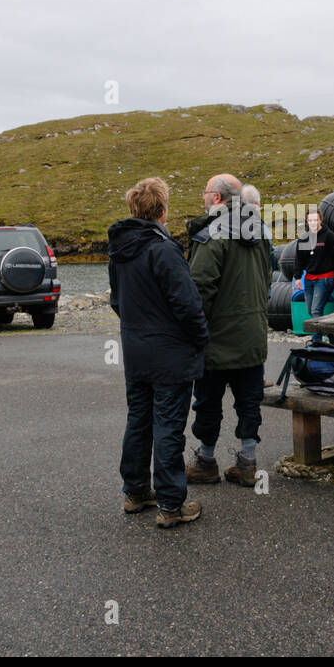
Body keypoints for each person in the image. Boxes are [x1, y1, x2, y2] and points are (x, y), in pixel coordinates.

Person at [108, 177, 209, 529]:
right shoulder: (164, 250)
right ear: (163, 211)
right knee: (168, 425)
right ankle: (170, 503)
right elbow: (187, 304)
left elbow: (117, 300)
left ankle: (135, 492)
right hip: (170, 353)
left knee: (139, 419)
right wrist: (200, 338)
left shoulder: (120, 251)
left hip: (137, 351)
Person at [185, 173, 273, 487]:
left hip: (216, 340)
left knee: (207, 402)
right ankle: (247, 464)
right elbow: (267, 281)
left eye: (206, 192)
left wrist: (193, 333)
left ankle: (206, 462)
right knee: (249, 401)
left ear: (218, 198)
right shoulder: (261, 233)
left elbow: (199, 289)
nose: (203, 198)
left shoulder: (211, 235)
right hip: (251, 337)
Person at [293, 208, 334, 345]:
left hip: (325, 277)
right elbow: (299, 260)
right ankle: (328, 331)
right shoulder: (304, 238)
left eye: (315, 219)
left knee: (316, 309)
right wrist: (298, 277)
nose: (313, 222)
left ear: (321, 220)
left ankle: (317, 341)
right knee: (310, 309)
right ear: (307, 221)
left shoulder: (329, 236)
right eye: (310, 220)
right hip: (309, 279)